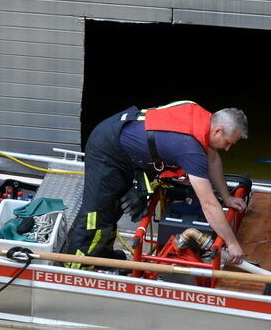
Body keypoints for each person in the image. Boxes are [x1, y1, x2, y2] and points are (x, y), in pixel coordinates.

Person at [64, 100, 249, 268]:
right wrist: (232, 244)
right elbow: (208, 204)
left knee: (115, 207)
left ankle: (101, 256)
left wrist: (226, 197)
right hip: (106, 150)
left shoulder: (199, 114)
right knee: (96, 216)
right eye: (227, 142)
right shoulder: (189, 149)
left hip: (125, 142)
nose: (227, 148)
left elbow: (213, 159)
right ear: (217, 130)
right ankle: (74, 269)